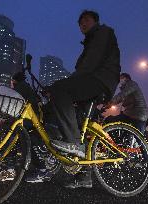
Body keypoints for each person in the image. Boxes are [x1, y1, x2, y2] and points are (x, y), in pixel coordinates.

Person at [44, 10, 120, 188]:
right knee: (81, 127)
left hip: (101, 79)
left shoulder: (103, 33)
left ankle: (72, 142)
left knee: (60, 89)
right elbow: (84, 66)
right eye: (80, 23)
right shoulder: (89, 41)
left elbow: (91, 61)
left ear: (96, 21)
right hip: (95, 80)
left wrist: (66, 83)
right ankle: (84, 176)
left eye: (86, 20)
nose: (82, 24)